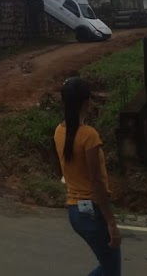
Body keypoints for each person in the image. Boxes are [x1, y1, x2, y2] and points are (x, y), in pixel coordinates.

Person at [52, 77, 121, 276]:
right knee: (111, 271)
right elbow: (97, 182)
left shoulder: (59, 131)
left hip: (75, 211)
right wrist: (111, 222)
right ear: (86, 102)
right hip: (93, 212)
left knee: (108, 269)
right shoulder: (89, 136)